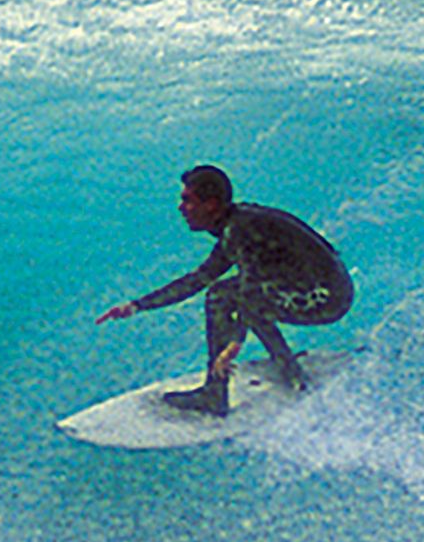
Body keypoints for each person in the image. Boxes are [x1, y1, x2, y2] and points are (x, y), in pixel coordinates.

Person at [96, 164, 353, 414]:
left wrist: (231, 349)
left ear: (211, 205)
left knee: (225, 296)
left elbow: (249, 296)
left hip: (327, 298)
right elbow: (200, 278)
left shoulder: (241, 230)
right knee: (226, 292)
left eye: (188, 201)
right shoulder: (235, 224)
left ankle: (222, 391)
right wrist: (136, 306)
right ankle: (286, 368)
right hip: (314, 289)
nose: (181, 208)